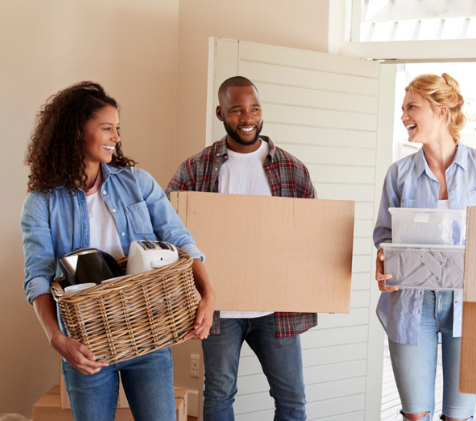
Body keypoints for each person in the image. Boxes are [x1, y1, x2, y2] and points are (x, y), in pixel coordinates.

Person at [20, 81, 215, 420]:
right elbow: (37, 277)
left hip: (149, 333)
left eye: (117, 129)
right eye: (106, 128)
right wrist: (58, 340)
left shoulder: (137, 182)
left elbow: (181, 239)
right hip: (87, 346)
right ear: (77, 132)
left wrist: (208, 294)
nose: (116, 137)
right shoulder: (41, 204)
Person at [166, 76, 317, 421]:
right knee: (218, 395)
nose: (248, 118)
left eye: (254, 108)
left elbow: (312, 235)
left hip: (275, 308)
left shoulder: (291, 169)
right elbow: (166, 228)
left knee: (292, 399)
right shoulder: (196, 169)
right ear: (220, 113)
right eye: (237, 110)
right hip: (221, 309)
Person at [373, 73, 476, 421]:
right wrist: (382, 258)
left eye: (411, 107)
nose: (404, 116)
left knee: (458, 418)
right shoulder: (399, 173)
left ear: (441, 111)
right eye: (402, 108)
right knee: (415, 415)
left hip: (470, 304)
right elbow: (384, 235)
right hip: (412, 302)